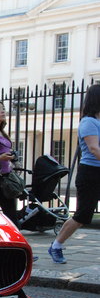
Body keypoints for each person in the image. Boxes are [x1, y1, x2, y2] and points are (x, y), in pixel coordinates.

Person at [49, 84, 100, 264]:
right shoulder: (88, 122)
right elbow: (94, 149)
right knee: (82, 215)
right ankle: (56, 245)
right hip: (91, 173)